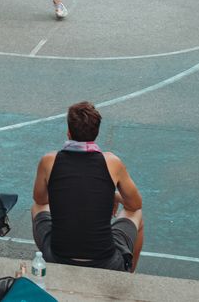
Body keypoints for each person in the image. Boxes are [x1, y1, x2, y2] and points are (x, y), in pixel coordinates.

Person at [32, 101, 143, 272]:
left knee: (37, 207)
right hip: (106, 260)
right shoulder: (112, 162)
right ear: (97, 133)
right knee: (136, 214)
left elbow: (40, 199)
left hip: (58, 255)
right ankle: (128, 273)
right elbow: (135, 204)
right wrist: (113, 196)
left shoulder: (49, 161)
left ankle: (50, 265)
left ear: (68, 132)